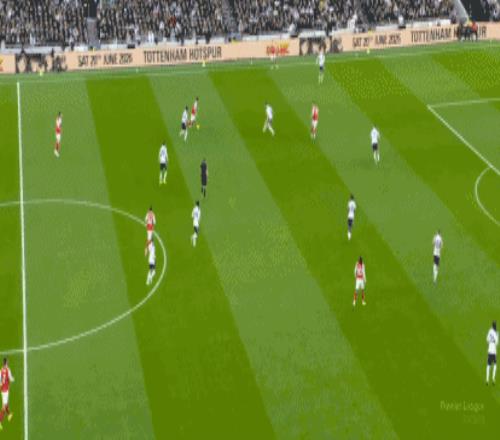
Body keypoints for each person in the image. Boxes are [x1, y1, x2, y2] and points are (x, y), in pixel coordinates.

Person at [0, 358, 14, 429]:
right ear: (6, 363)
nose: (8, 363)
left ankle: (9, 414)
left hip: (2, 390)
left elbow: (0, 381)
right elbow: (10, 378)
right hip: (5, 390)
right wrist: (13, 379)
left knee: (6, 403)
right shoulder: (8, 370)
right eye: (7, 362)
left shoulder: (1, 371)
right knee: (4, 406)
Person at [486, 321, 498, 385]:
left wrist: (490, 341)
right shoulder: (496, 333)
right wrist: (494, 340)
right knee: (495, 365)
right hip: (494, 351)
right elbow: (497, 343)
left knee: (488, 365)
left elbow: (487, 339)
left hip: (489, 351)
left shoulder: (489, 331)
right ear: (495, 326)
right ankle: (493, 379)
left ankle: (487, 380)